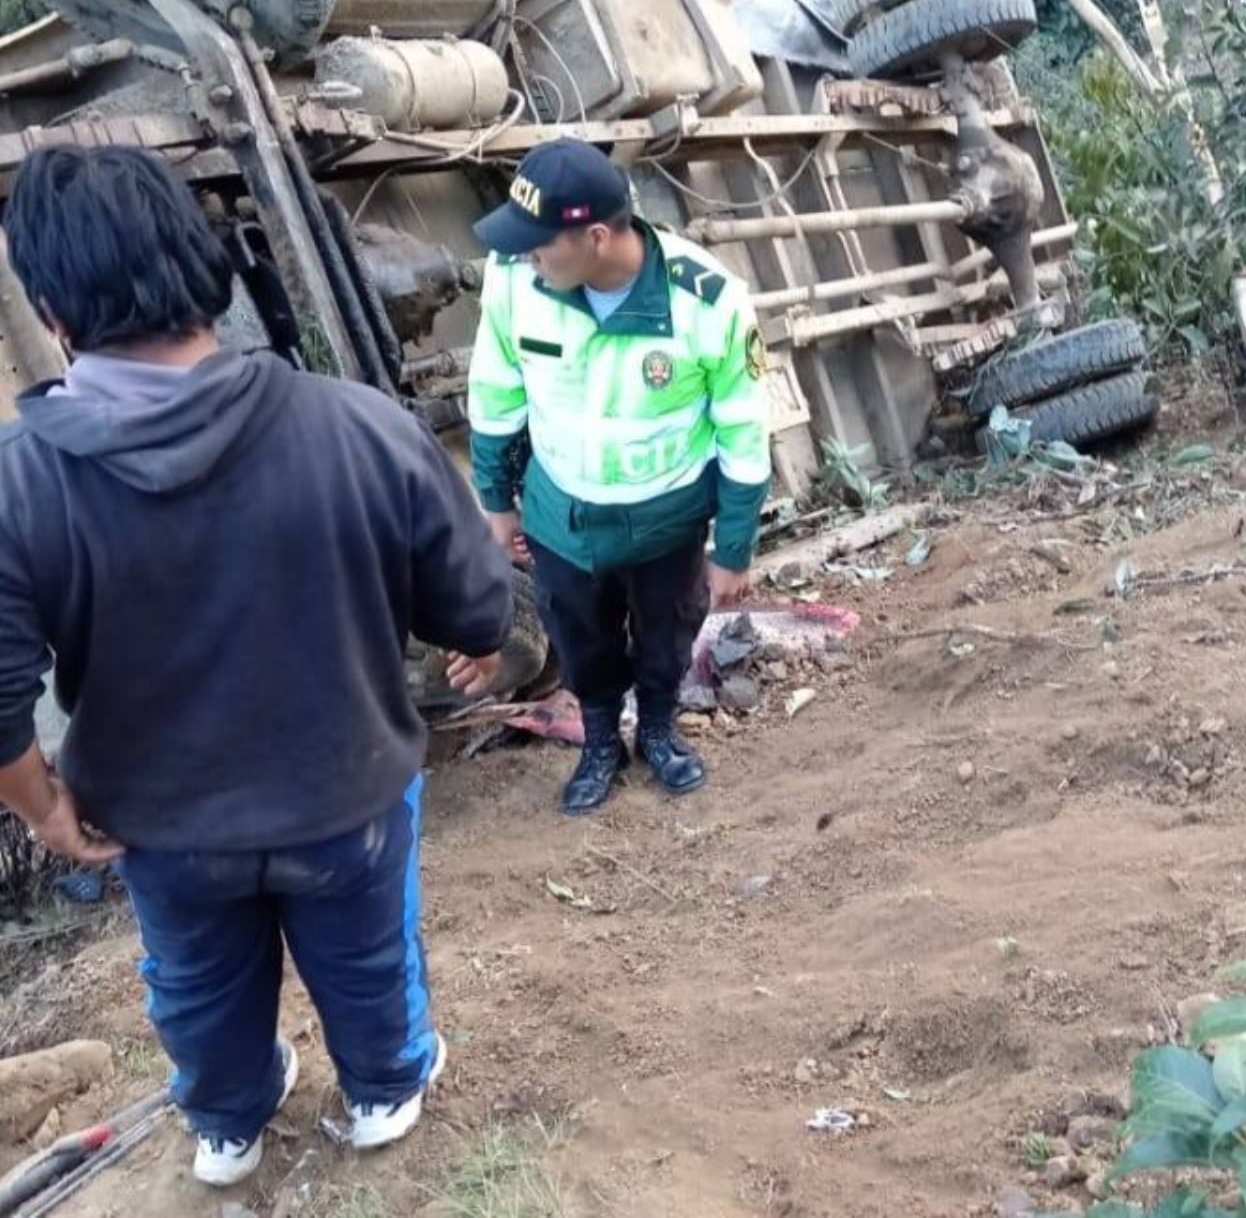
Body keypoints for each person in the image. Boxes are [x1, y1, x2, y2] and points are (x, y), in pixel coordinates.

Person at [0, 146, 513, 1187]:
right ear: (209, 272)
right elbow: (475, 607)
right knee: (368, 957)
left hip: (159, 822)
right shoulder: (361, 426)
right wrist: (479, 640)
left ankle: (228, 1125)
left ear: (53, 312)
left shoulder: (25, 480)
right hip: (348, 795)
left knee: (194, 979)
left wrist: (41, 809)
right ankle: (383, 1091)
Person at [468, 138, 772, 814]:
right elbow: (495, 395)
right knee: (579, 635)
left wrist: (734, 549)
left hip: (665, 521)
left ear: (596, 238)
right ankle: (600, 740)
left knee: (668, 631)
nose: (526, 256)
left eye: (541, 244)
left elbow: (744, 431)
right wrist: (497, 502)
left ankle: (659, 731)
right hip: (562, 519)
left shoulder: (708, 302)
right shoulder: (516, 282)